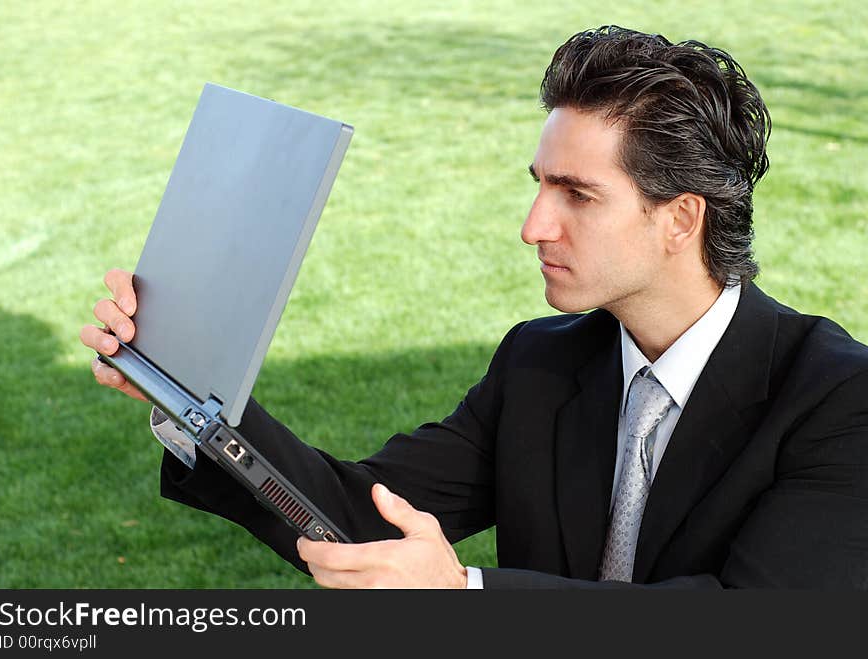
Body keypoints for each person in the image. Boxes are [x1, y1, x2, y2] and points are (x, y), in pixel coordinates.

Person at [81, 26, 868, 589]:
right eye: (539, 183)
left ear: (681, 219)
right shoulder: (540, 362)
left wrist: (463, 598)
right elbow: (362, 520)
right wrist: (190, 388)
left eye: (578, 195)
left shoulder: (837, 400)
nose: (533, 226)